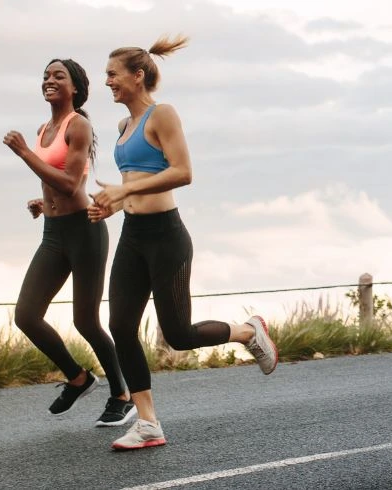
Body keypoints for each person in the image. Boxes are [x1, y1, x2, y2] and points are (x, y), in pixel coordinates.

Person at [88, 35, 278, 451]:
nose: (107, 82)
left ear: (138, 77)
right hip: (133, 237)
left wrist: (122, 194)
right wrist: (115, 205)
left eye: (112, 74)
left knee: (178, 335)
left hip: (166, 238)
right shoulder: (123, 127)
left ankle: (247, 331)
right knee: (120, 325)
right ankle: (148, 423)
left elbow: (183, 172)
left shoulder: (162, 115)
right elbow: (135, 185)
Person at [3, 58, 136, 427]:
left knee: (86, 321)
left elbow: (71, 184)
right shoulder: (44, 127)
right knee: (26, 315)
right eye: (45, 75)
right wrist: (42, 203)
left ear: (74, 87)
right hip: (54, 232)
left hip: (85, 231)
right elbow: (53, 186)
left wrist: (23, 152)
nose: (49, 80)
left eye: (58, 76)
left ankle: (122, 394)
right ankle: (79, 378)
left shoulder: (80, 126)